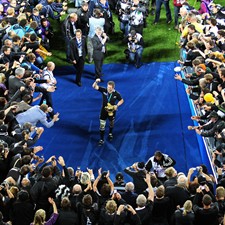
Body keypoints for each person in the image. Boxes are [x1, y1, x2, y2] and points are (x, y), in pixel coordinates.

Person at [92, 79, 124, 146]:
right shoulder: (104, 90)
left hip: (112, 111)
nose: (108, 89)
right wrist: (96, 82)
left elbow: (121, 100)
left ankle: (110, 133)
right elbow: (94, 86)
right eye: (108, 87)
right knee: (102, 125)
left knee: (111, 123)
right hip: (103, 111)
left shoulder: (116, 94)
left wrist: (117, 105)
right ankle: (101, 139)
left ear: (113, 87)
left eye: (110, 88)